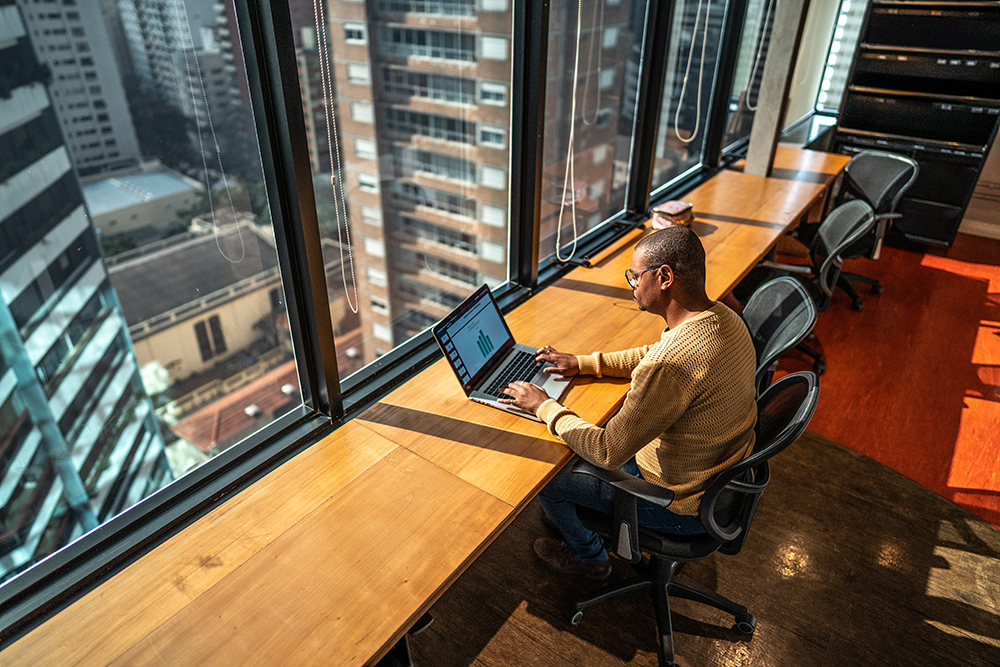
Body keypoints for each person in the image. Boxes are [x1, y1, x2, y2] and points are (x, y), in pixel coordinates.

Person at [500, 226, 757, 580]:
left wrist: (543, 405)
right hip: (716, 481)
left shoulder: (670, 365)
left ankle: (591, 559)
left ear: (664, 277)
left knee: (546, 476)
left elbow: (607, 452)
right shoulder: (726, 319)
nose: (631, 284)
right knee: (584, 437)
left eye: (635, 276)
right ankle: (579, 515)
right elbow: (653, 353)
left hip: (679, 503)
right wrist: (584, 363)